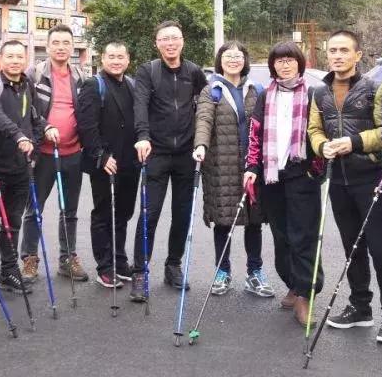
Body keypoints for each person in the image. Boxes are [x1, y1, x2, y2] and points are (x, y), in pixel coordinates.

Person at [307, 29, 382, 344]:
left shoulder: (375, 89)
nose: (337, 56)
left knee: (381, 248)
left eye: (344, 50)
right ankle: (360, 307)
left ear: (358, 55)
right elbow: (314, 128)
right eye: (332, 50)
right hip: (337, 180)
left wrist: (353, 142)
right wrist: (322, 147)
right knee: (352, 247)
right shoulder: (318, 92)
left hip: (368, 176)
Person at [244, 41, 324, 328]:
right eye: (279, 60)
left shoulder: (314, 94)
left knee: (303, 236)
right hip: (272, 176)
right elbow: (255, 135)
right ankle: (292, 282)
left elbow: (319, 134)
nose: (284, 64)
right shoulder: (266, 96)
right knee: (281, 237)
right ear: (272, 65)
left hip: (302, 174)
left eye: (290, 59)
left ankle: (305, 294)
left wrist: (318, 168)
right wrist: (252, 167)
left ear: (299, 63)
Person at [129, 20, 208, 301]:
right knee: (149, 213)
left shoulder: (194, 72)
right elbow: (139, 105)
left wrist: (201, 141)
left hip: (187, 153)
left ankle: (173, 265)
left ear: (183, 41)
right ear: (157, 43)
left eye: (175, 38)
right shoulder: (147, 71)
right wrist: (142, 136)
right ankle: (140, 271)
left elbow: (207, 102)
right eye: (165, 39)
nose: (170, 43)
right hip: (156, 152)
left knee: (183, 214)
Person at [193, 41, 273, 298]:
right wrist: (201, 145)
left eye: (238, 56)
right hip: (221, 165)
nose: (233, 60)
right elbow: (204, 119)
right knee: (223, 222)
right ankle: (222, 272)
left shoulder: (257, 90)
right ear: (220, 61)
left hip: (252, 165)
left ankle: (255, 272)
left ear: (245, 60)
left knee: (254, 221)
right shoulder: (211, 91)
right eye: (228, 56)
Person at [20, 24, 88, 283]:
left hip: (73, 152)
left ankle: (67, 258)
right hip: (43, 154)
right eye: (56, 42)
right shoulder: (34, 74)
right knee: (34, 209)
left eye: (66, 43)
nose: (61, 47)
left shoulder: (80, 76)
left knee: (69, 210)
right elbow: (26, 110)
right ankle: (29, 259)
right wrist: (43, 128)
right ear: (47, 46)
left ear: (72, 47)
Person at [0, 39, 44, 299]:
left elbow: (36, 118)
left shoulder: (27, 85)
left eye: (20, 57)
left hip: (22, 167)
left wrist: (35, 143)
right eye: (10, 56)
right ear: (0, 59)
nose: (15, 61)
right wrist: (19, 136)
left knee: (13, 222)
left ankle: (9, 270)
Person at [77, 41, 139, 288]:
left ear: (127, 59)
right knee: (103, 213)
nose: (116, 61)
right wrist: (101, 156)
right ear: (102, 59)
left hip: (130, 162)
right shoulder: (94, 85)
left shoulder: (132, 85)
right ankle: (104, 266)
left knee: (124, 213)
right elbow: (86, 126)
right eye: (111, 56)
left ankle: (120, 260)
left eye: (120, 57)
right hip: (105, 162)